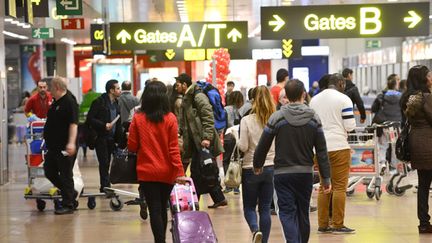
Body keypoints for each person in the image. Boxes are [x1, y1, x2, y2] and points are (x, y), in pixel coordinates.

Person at [253, 80, 331, 243]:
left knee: (287, 213)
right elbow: (322, 151)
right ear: (303, 94)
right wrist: (326, 178)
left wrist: (257, 164)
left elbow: (263, 144)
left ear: (286, 96)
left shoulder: (277, 117)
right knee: (303, 212)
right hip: (305, 174)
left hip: (282, 174)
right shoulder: (313, 118)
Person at [128, 81, 185, 243]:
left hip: (146, 171)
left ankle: (159, 241)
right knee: (163, 207)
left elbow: (132, 146)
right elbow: (174, 149)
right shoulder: (170, 118)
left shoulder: (138, 118)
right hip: (167, 171)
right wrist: (180, 172)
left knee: (154, 208)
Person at [310, 73, 356, 234]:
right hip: (339, 147)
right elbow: (350, 125)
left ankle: (323, 224)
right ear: (341, 83)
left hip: (319, 148)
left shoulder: (314, 100)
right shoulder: (344, 99)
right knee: (339, 187)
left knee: (324, 186)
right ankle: (337, 224)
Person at [230, 85, 275, 243]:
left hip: (250, 167)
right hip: (270, 168)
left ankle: (255, 230)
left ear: (253, 100)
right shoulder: (275, 119)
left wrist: (236, 136)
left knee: (249, 207)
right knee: (265, 208)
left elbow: (243, 147)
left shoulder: (246, 120)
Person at [176, 73, 227, 208]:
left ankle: (194, 201)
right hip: (196, 141)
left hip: (203, 141)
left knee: (198, 171)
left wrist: (207, 138)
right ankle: (218, 198)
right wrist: (179, 132)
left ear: (184, 84)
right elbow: (186, 120)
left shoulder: (198, 97)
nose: (176, 88)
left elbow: (208, 118)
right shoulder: (188, 97)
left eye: (178, 85)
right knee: (204, 170)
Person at [400, 65, 432, 234]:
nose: (431, 76)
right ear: (423, 79)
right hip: (429, 144)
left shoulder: (407, 98)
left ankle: (424, 223)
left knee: (424, 186)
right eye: (429, 74)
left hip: (416, 144)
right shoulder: (426, 97)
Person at [43, 76, 79, 215]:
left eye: (50, 88)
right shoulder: (56, 102)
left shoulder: (69, 102)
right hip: (54, 147)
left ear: (57, 87)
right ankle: (70, 192)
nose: (49, 91)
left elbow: (73, 124)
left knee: (65, 174)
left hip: (65, 146)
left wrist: (70, 142)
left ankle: (68, 204)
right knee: (49, 171)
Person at [86, 79, 124, 192]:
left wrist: (120, 138)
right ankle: (105, 186)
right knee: (104, 162)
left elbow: (118, 121)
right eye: (117, 88)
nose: (119, 90)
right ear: (111, 90)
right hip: (101, 138)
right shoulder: (99, 102)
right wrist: (103, 125)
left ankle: (106, 185)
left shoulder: (116, 104)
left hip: (111, 139)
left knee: (108, 163)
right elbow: (90, 119)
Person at [371, 74, 403, 172]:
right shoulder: (401, 96)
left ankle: (382, 163)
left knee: (383, 144)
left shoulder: (382, 96)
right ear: (396, 84)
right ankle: (393, 167)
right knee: (394, 146)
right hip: (396, 126)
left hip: (384, 124)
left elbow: (373, 109)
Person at [223, 91, 244, 194]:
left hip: (228, 137)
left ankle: (228, 185)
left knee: (226, 160)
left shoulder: (225, 109)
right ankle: (236, 186)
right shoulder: (241, 110)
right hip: (238, 137)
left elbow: (224, 124)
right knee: (237, 160)